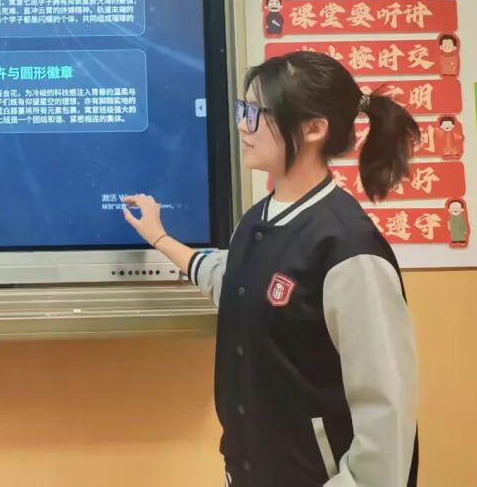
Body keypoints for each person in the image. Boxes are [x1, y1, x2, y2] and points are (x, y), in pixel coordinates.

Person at [123, 51, 420, 486]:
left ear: (314, 129)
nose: (243, 126)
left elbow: (386, 413)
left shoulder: (347, 247)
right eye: (242, 109)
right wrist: (161, 238)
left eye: (257, 113)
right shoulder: (256, 220)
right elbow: (234, 285)